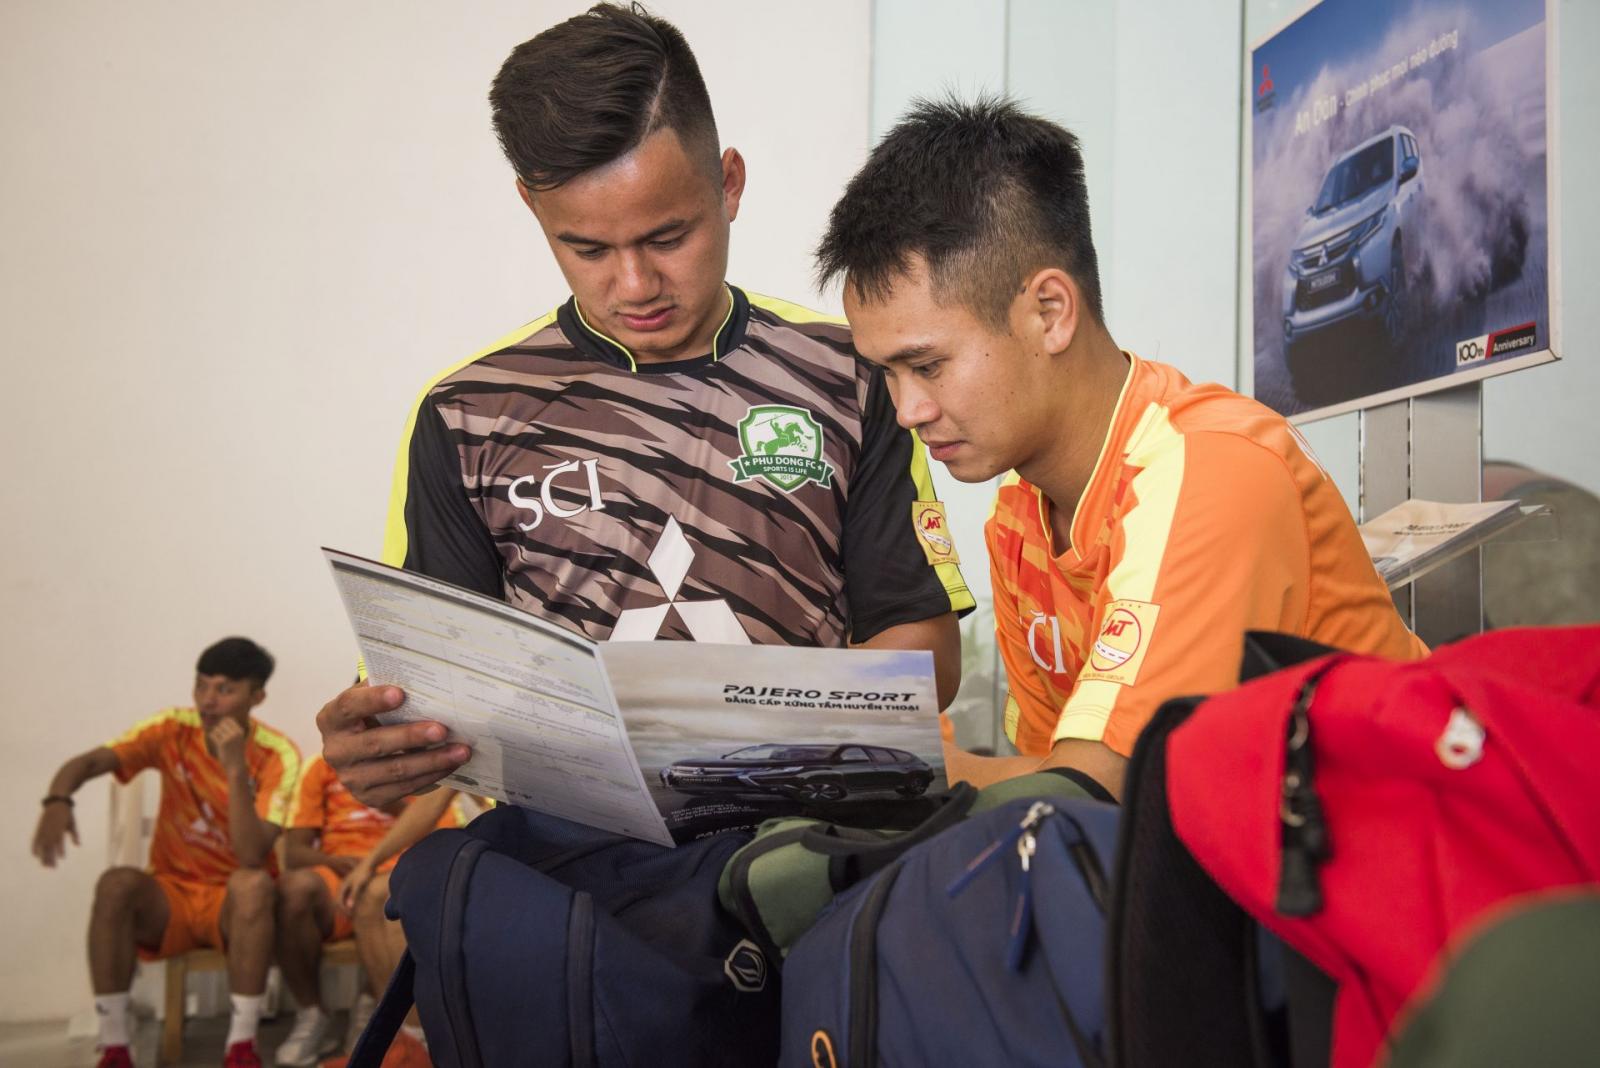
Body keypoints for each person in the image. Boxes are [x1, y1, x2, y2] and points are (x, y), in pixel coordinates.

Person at [317, 2, 972, 807]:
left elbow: (925, 655)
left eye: (667, 237)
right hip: (563, 850)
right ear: (532, 208)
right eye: (587, 248)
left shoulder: (849, 374)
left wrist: (726, 733)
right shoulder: (465, 414)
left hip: (799, 835)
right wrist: (384, 757)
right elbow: (428, 706)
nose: (634, 285)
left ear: (729, 184)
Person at [816, 97, 1428, 798]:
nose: (908, 411)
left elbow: (1094, 793)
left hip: (1400, 845)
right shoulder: (1017, 518)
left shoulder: (1212, 470)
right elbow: (1050, 787)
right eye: (887, 375)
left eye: (927, 366)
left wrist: (879, 764)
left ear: (1050, 313)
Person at [31, 637, 300, 1068]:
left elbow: (252, 856)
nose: (208, 700)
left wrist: (235, 769)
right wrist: (57, 800)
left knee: (252, 885)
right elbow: (89, 762)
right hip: (171, 895)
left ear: (257, 697)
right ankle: (115, 1047)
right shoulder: (172, 728)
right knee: (116, 884)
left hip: (234, 906)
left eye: (225, 689)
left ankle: (241, 1047)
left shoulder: (278, 754)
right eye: (201, 685)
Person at [272, 759, 460, 1067]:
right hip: (345, 877)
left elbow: (445, 826)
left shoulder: (428, 759)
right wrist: (352, 864)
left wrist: (391, 806)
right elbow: (294, 852)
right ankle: (395, 1036)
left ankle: (410, 1040)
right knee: (363, 895)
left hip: (407, 870)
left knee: (390, 897)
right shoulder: (324, 766)